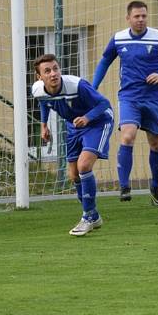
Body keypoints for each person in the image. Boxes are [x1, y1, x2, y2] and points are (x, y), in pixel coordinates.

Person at [92, 0, 158, 203]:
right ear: (128, 18)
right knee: (127, 136)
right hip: (129, 96)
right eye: (136, 16)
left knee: (156, 144)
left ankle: (155, 184)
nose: (141, 20)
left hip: (154, 98)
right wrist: (93, 86)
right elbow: (105, 61)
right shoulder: (119, 39)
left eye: (144, 16)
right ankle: (124, 186)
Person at [32, 54, 114, 236]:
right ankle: (93, 214)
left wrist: (87, 118)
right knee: (73, 174)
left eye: (55, 68)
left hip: (99, 121)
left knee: (84, 165)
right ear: (40, 77)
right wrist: (44, 125)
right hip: (74, 125)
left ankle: (88, 217)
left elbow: (104, 104)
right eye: (47, 71)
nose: (53, 74)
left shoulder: (77, 86)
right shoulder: (37, 90)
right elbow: (44, 102)